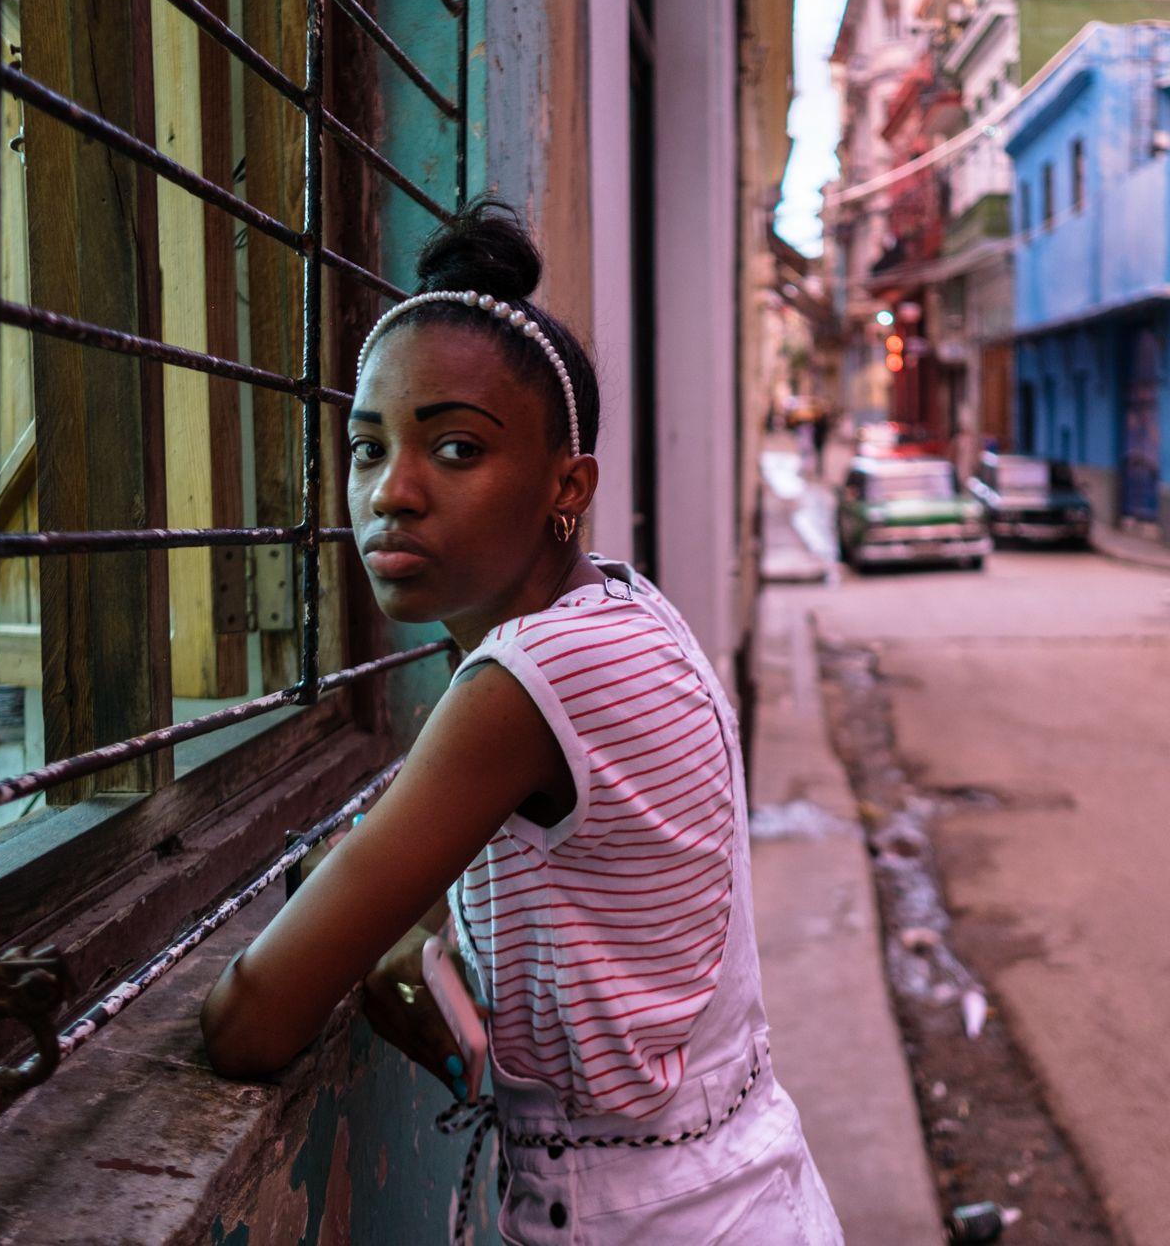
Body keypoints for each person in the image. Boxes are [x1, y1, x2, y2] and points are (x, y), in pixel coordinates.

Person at [201, 200, 841, 1244]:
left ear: (566, 485)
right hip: (749, 1191)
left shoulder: (531, 673)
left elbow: (248, 1021)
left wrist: (350, 924)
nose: (393, 492)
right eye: (368, 448)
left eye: (455, 447)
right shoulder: (630, 610)